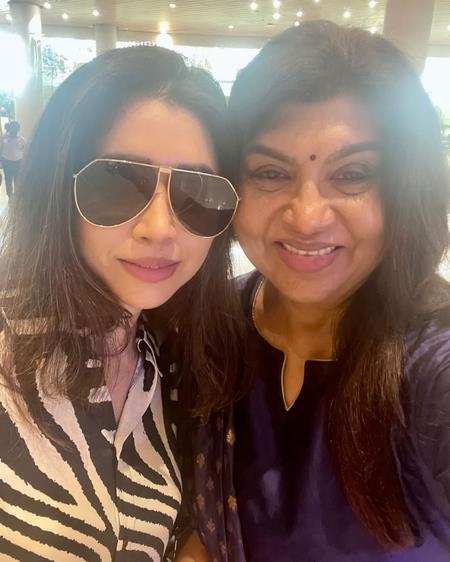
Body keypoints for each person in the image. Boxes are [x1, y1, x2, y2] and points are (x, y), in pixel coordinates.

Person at [178, 20, 450, 562]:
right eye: (269, 173)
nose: (306, 216)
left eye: (352, 175)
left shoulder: (431, 365)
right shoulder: (208, 326)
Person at [0, 45, 244, 561]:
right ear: (59, 188)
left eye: (197, 194)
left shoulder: (170, 366)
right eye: (116, 184)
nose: (160, 229)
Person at [0, 120, 26, 197]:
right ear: (10, 128)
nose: (14, 131)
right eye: (12, 128)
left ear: (18, 130)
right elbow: (1, 149)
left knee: (17, 180)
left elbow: (24, 151)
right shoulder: (3, 138)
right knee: (8, 180)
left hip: (18, 163)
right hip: (6, 163)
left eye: (16, 129)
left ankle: (17, 196)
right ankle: (10, 196)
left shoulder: (22, 140)